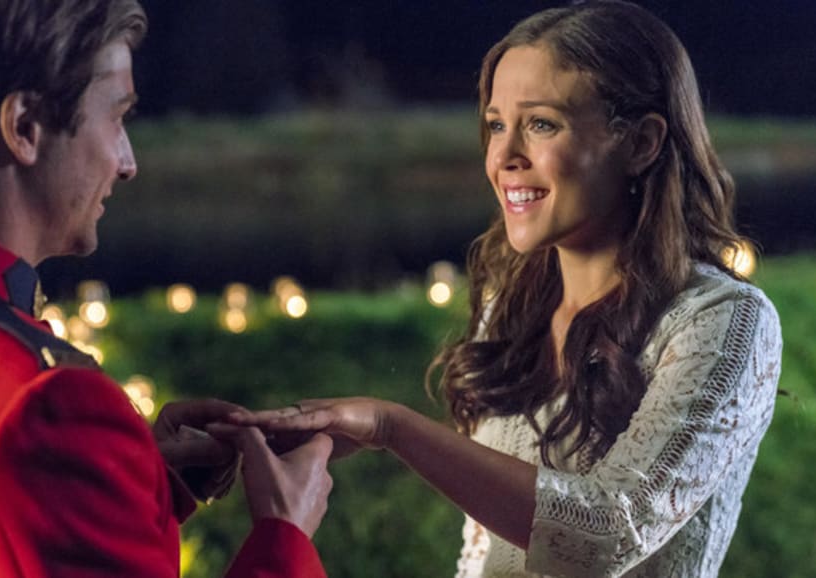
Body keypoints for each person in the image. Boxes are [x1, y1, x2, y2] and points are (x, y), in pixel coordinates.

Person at [229, 2, 783, 577]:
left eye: (541, 124)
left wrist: (391, 428)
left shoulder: (724, 320)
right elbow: (480, 550)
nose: (504, 157)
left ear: (641, 142)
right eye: (497, 125)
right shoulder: (510, 308)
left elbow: (608, 536)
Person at [0, 1, 331, 576]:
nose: (127, 163)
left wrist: (131, 477)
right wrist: (283, 536)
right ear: (24, 127)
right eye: (117, 117)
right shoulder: (49, 409)